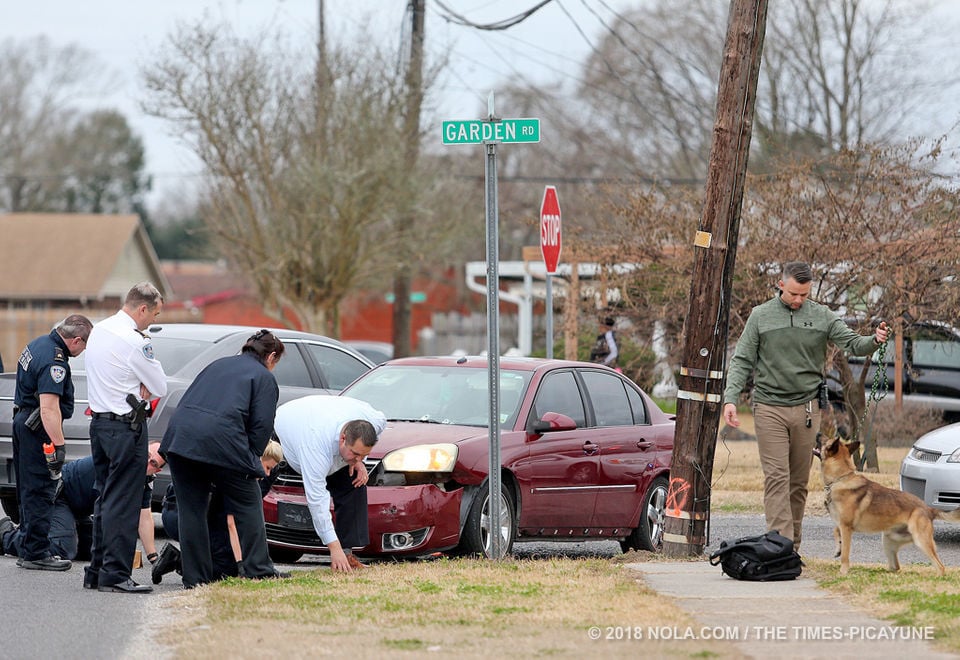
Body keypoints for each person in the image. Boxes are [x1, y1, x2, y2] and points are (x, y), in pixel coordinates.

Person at [722, 261, 889, 549]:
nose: (798, 300)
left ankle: (792, 547)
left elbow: (852, 343)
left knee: (798, 482)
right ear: (781, 285)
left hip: (806, 408)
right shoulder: (760, 316)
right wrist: (731, 398)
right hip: (769, 406)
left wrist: (874, 340)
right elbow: (742, 360)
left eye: (804, 295)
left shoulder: (821, 316)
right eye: (793, 294)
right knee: (777, 477)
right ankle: (779, 544)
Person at [159, 329, 286, 588]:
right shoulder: (263, 377)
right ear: (271, 356)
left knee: (191, 511)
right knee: (249, 502)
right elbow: (261, 426)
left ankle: (196, 578)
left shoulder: (218, 364)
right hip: (223, 441)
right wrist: (250, 460)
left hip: (181, 441)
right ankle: (258, 569)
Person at [84, 282, 168, 593]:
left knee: (105, 497)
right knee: (124, 503)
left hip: (101, 425)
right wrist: (143, 383)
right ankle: (116, 574)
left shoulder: (101, 330)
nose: (153, 321)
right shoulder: (135, 341)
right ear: (142, 308)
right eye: (154, 314)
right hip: (127, 428)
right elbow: (159, 385)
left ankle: (97, 570)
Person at [8, 314, 92, 570]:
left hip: (23, 422)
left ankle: (28, 547)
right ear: (76, 340)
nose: (84, 350)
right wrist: (59, 445)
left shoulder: (38, 343)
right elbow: (49, 409)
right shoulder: (55, 361)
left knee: (27, 488)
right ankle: (36, 553)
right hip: (37, 429)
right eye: (85, 345)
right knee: (41, 489)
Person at [272, 395, 386, 572]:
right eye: (355, 453)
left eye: (363, 454)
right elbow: (317, 500)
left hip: (325, 415)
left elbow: (380, 422)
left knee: (354, 482)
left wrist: (358, 461)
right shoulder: (315, 446)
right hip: (286, 428)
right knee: (258, 487)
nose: (358, 458)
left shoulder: (375, 421)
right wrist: (333, 548)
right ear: (343, 439)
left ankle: (347, 553)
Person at [1, 443, 166, 562]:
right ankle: (6, 535)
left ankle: (53, 533)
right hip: (58, 495)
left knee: (95, 552)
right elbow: (110, 512)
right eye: (147, 455)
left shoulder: (145, 480)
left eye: (153, 463)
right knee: (63, 549)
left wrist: (153, 558)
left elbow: (144, 519)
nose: (146, 462)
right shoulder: (119, 463)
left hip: (78, 509)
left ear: (157, 470)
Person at [152, 441, 283, 584]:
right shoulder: (238, 477)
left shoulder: (234, 459)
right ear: (258, 460)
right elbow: (232, 523)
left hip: (179, 510)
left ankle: (187, 561)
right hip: (181, 516)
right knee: (224, 572)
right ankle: (176, 560)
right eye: (267, 467)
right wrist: (240, 565)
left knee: (225, 561)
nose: (268, 474)